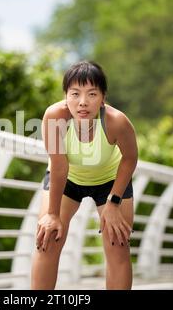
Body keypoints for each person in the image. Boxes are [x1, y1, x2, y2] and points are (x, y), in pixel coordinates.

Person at [31, 61, 138, 290]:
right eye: (75, 94)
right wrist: (52, 214)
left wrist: (113, 203)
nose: (82, 102)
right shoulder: (54, 117)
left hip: (109, 181)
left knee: (117, 242)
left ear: (103, 98)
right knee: (47, 238)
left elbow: (130, 158)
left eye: (92, 94)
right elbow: (59, 167)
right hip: (67, 179)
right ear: (65, 96)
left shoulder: (116, 121)